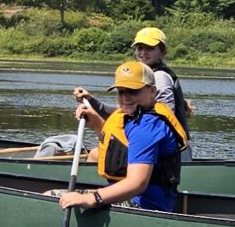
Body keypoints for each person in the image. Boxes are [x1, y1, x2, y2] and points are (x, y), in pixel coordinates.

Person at [61, 58, 189, 215]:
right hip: (134, 197)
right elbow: (118, 146)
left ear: (152, 91)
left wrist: (93, 198)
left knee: (52, 197)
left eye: (133, 91)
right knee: (60, 197)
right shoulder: (134, 115)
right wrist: (95, 122)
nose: (126, 97)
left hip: (144, 205)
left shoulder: (147, 126)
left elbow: (137, 183)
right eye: (121, 91)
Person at [130, 25, 191, 133]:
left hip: (165, 146)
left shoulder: (159, 77)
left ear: (162, 53)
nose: (143, 53)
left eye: (150, 48)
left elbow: (166, 117)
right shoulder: (148, 74)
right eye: (140, 48)